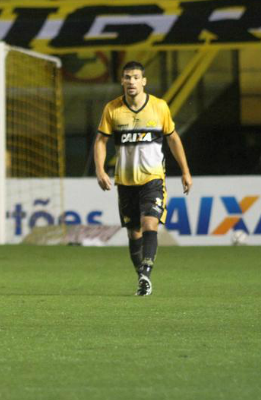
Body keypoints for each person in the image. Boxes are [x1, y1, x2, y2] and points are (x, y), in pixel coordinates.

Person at [94, 61, 192, 296]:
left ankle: (146, 273)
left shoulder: (159, 107)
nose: (131, 81)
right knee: (133, 232)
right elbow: (101, 141)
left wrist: (185, 170)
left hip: (153, 179)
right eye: (127, 77)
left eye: (135, 77)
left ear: (143, 81)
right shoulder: (113, 109)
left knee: (150, 224)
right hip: (125, 182)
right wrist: (100, 170)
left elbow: (173, 138)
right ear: (122, 81)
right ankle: (142, 277)